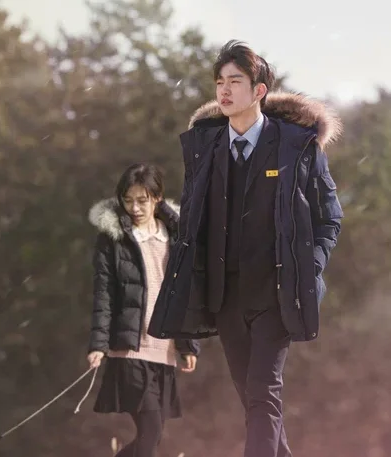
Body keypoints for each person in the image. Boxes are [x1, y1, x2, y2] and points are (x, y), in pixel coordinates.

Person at [147, 40, 344, 457]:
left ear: (259, 91)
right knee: (253, 398)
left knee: (263, 391)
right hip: (225, 297)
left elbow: (329, 217)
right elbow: (194, 223)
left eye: (235, 81)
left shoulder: (296, 146)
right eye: (220, 82)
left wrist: (310, 266)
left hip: (277, 294)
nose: (224, 90)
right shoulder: (204, 148)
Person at [86, 163, 200, 457]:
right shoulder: (113, 239)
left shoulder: (176, 236)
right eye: (128, 200)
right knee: (150, 434)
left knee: (153, 436)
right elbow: (104, 293)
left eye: (142, 200)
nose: (134, 208)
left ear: (157, 198)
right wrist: (98, 343)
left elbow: (185, 295)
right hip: (131, 352)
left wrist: (187, 344)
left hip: (165, 351)